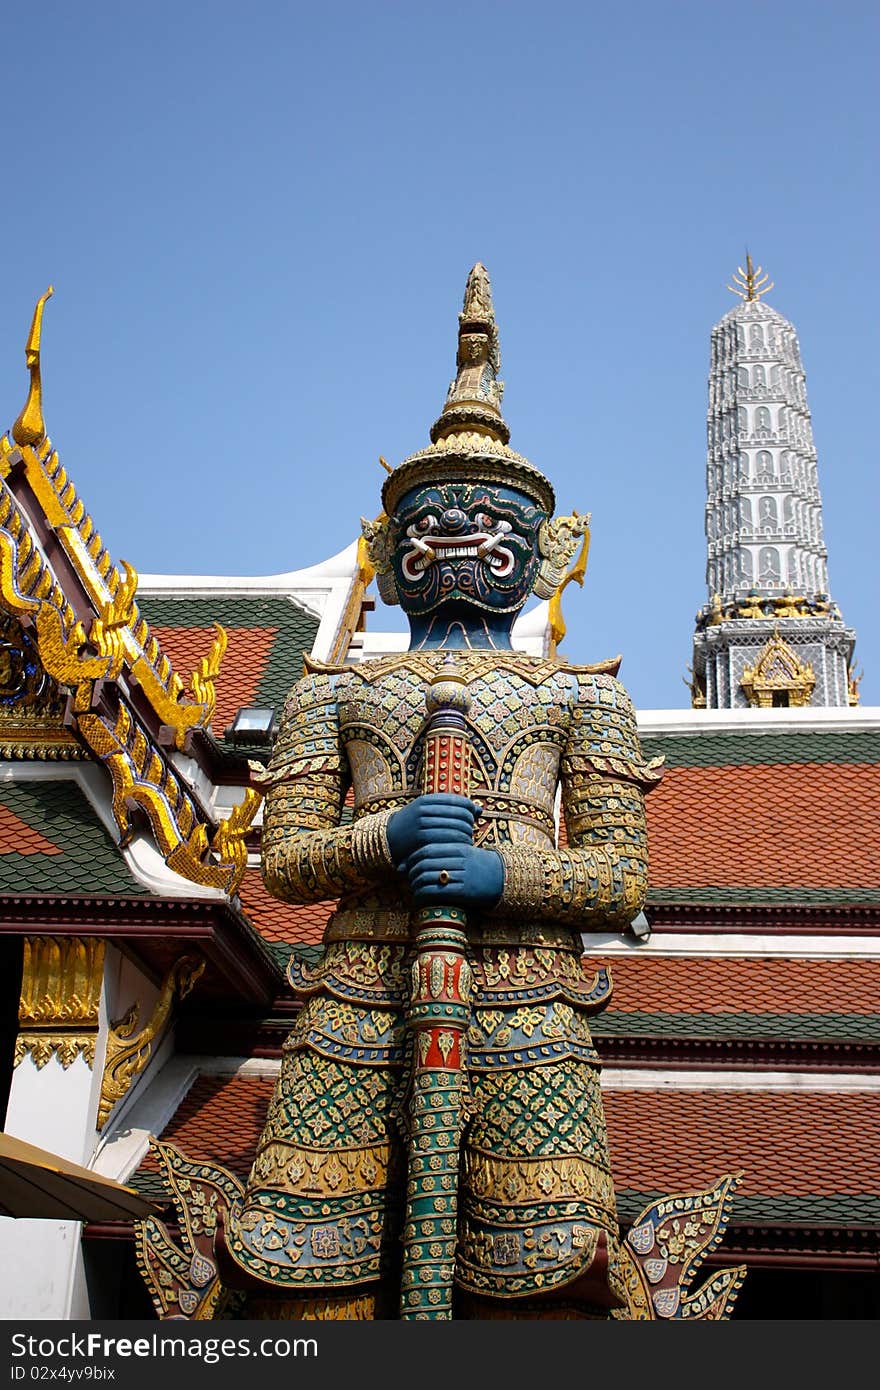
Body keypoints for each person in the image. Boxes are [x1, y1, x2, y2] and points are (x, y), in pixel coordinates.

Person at [218, 266, 662, 1319]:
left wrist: (495, 867)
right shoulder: (333, 693)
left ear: (548, 554)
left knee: (546, 1283)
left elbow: (621, 878)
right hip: (359, 1003)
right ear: (384, 549)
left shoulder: (581, 700)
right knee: (299, 1277)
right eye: (434, 511)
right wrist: (389, 837)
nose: (461, 523)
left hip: (525, 1008)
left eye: (491, 512)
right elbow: (284, 864)